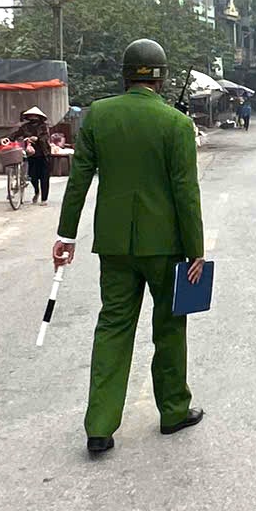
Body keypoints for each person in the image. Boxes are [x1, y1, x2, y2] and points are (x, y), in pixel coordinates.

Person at [52, 38, 207, 457]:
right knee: (171, 327)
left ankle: (99, 426)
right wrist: (196, 250)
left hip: (115, 247)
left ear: (125, 74)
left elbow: (78, 180)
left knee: (113, 327)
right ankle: (174, 410)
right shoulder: (175, 124)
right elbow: (185, 194)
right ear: (161, 76)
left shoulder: (98, 116)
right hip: (167, 248)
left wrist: (66, 236)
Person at [20, 107, 53, 206]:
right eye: (30, 116)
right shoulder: (25, 127)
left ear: (38, 117)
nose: (32, 117)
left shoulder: (44, 127)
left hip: (43, 154)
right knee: (32, 176)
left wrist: (37, 139)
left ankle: (44, 198)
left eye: (34, 116)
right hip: (31, 155)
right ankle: (36, 191)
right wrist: (8, 138)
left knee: (44, 177)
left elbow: (45, 137)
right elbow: (17, 134)